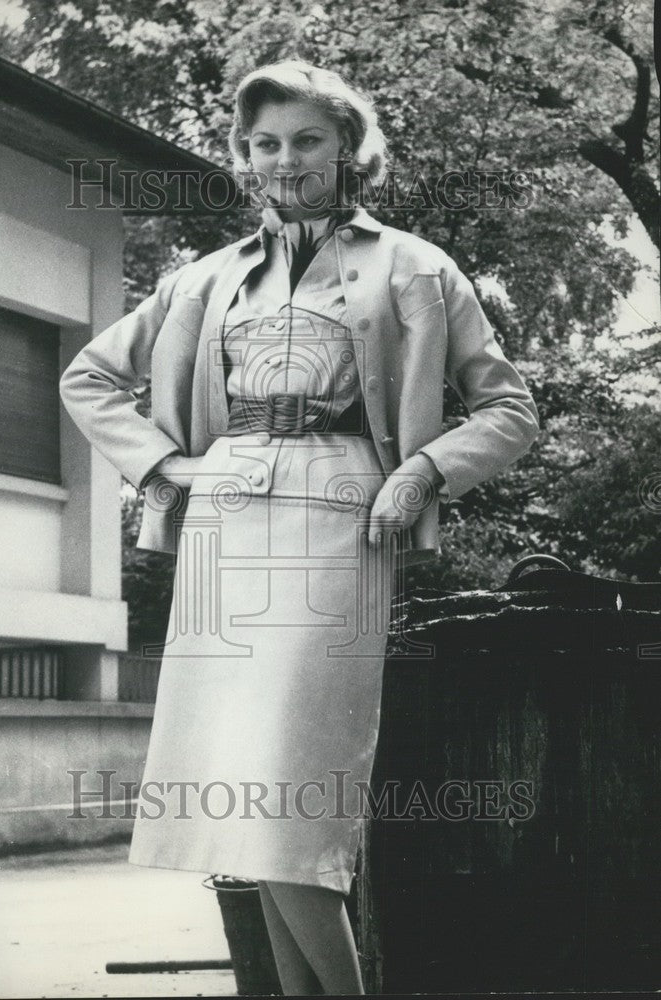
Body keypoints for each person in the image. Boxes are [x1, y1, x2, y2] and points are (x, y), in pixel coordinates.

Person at [59, 60, 540, 996]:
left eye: (308, 139)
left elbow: (508, 409)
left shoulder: (413, 266)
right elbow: (89, 377)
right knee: (240, 809)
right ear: (244, 157)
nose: (288, 160)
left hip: (342, 516)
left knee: (291, 797)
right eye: (266, 144)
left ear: (347, 149)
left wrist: (423, 469)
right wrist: (165, 467)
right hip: (221, 523)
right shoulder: (203, 280)